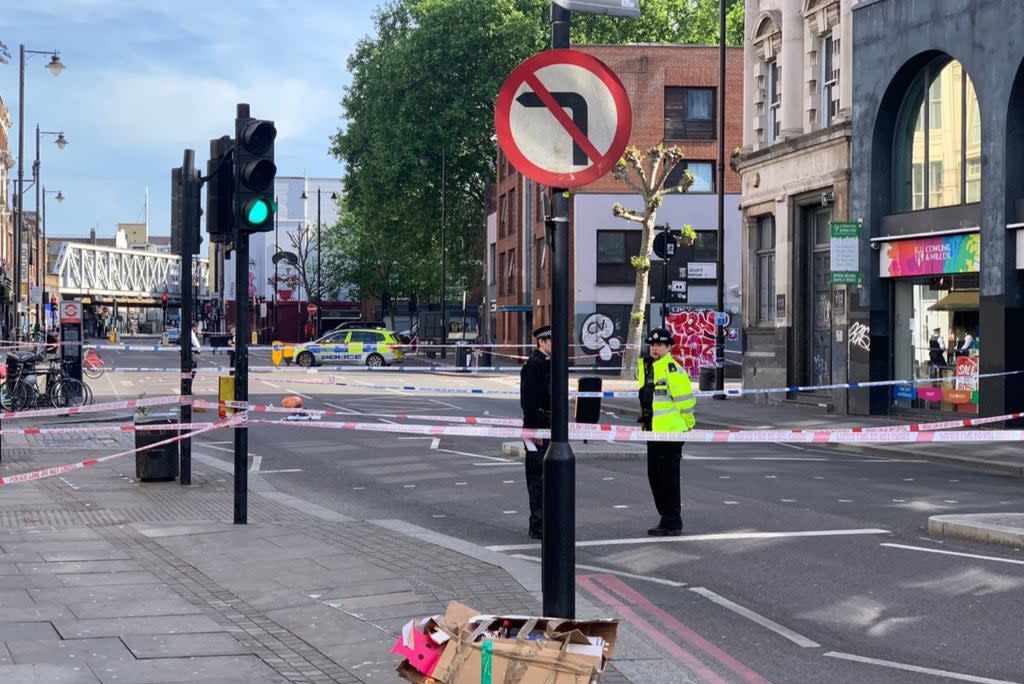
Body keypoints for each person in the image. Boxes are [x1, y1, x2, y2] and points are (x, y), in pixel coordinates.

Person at [637, 327, 696, 536]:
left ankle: (671, 521)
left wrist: (688, 423)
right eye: (652, 345)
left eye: (660, 345)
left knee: (667, 478)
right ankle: (666, 517)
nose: (655, 348)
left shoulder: (672, 369)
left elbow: (687, 402)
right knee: (654, 476)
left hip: (670, 433)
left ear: (669, 347)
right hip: (653, 431)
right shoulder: (648, 367)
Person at [519, 324, 552, 540]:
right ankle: (538, 525)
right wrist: (535, 429)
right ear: (541, 341)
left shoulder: (546, 363)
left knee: (546, 477)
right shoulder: (535, 365)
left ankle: (544, 522)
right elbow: (530, 401)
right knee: (538, 477)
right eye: (551, 340)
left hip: (547, 425)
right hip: (538, 426)